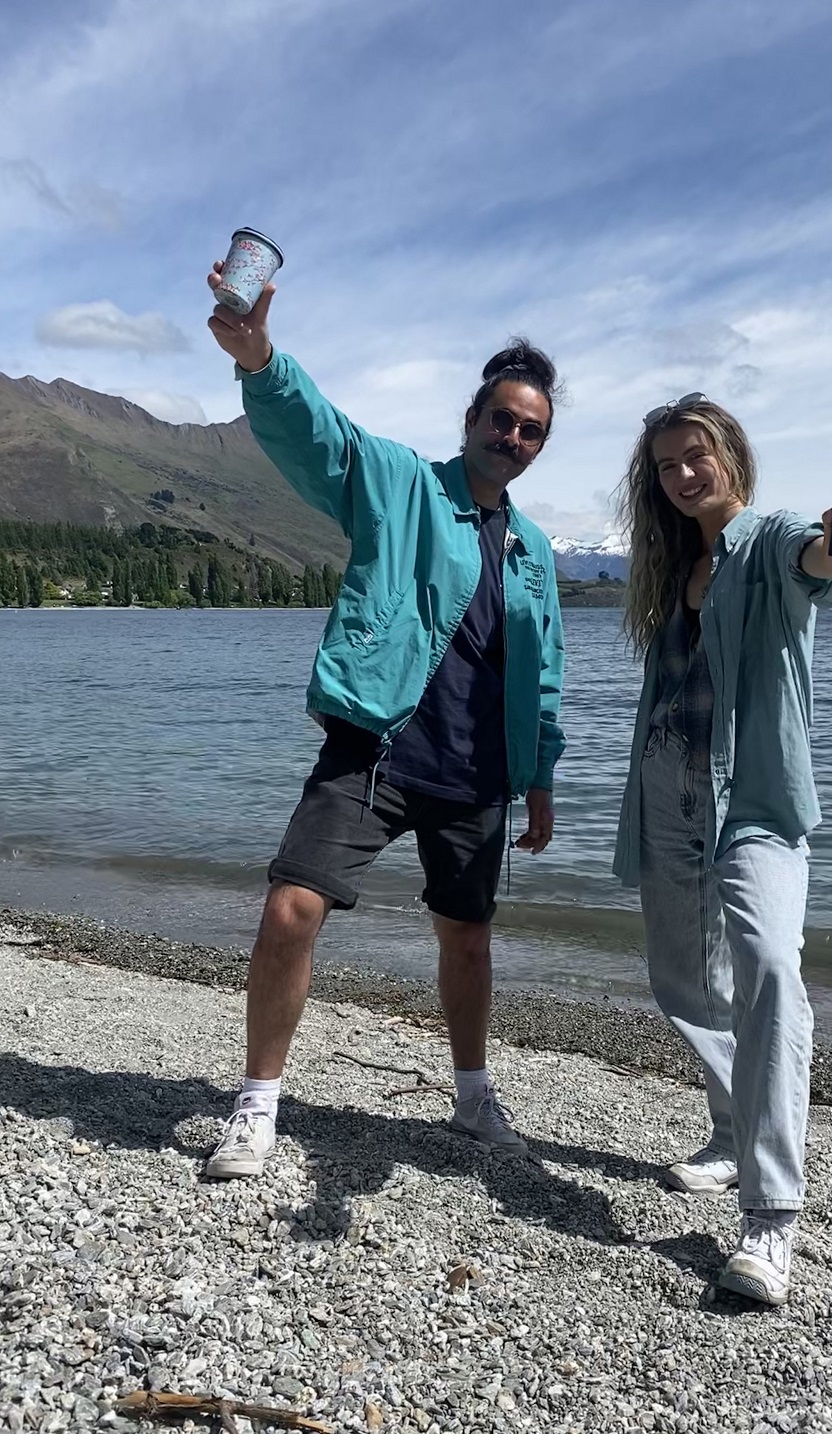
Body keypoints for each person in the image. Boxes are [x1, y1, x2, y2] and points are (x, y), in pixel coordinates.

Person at [202, 262, 566, 1177]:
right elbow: (321, 441)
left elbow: (544, 673)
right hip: (377, 749)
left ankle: (474, 1095)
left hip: (479, 774)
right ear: (473, 420)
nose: (513, 436)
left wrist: (541, 778)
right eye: (502, 419)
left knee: (469, 941)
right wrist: (260, 362)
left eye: (531, 430)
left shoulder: (534, 551)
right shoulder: (403, 483)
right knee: (291, 909)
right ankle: (256, 1105)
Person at [612, 394, 832, 1305]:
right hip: (668, 791)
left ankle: (770, 1218)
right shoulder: (674, 567)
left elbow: (822, 564)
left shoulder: (769, 538)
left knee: (770, 968)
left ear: (731, 454)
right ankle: (731, 1128)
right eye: (665, 465)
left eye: (696, 455)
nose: (682, 474)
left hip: (757, 803)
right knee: (681, 979)